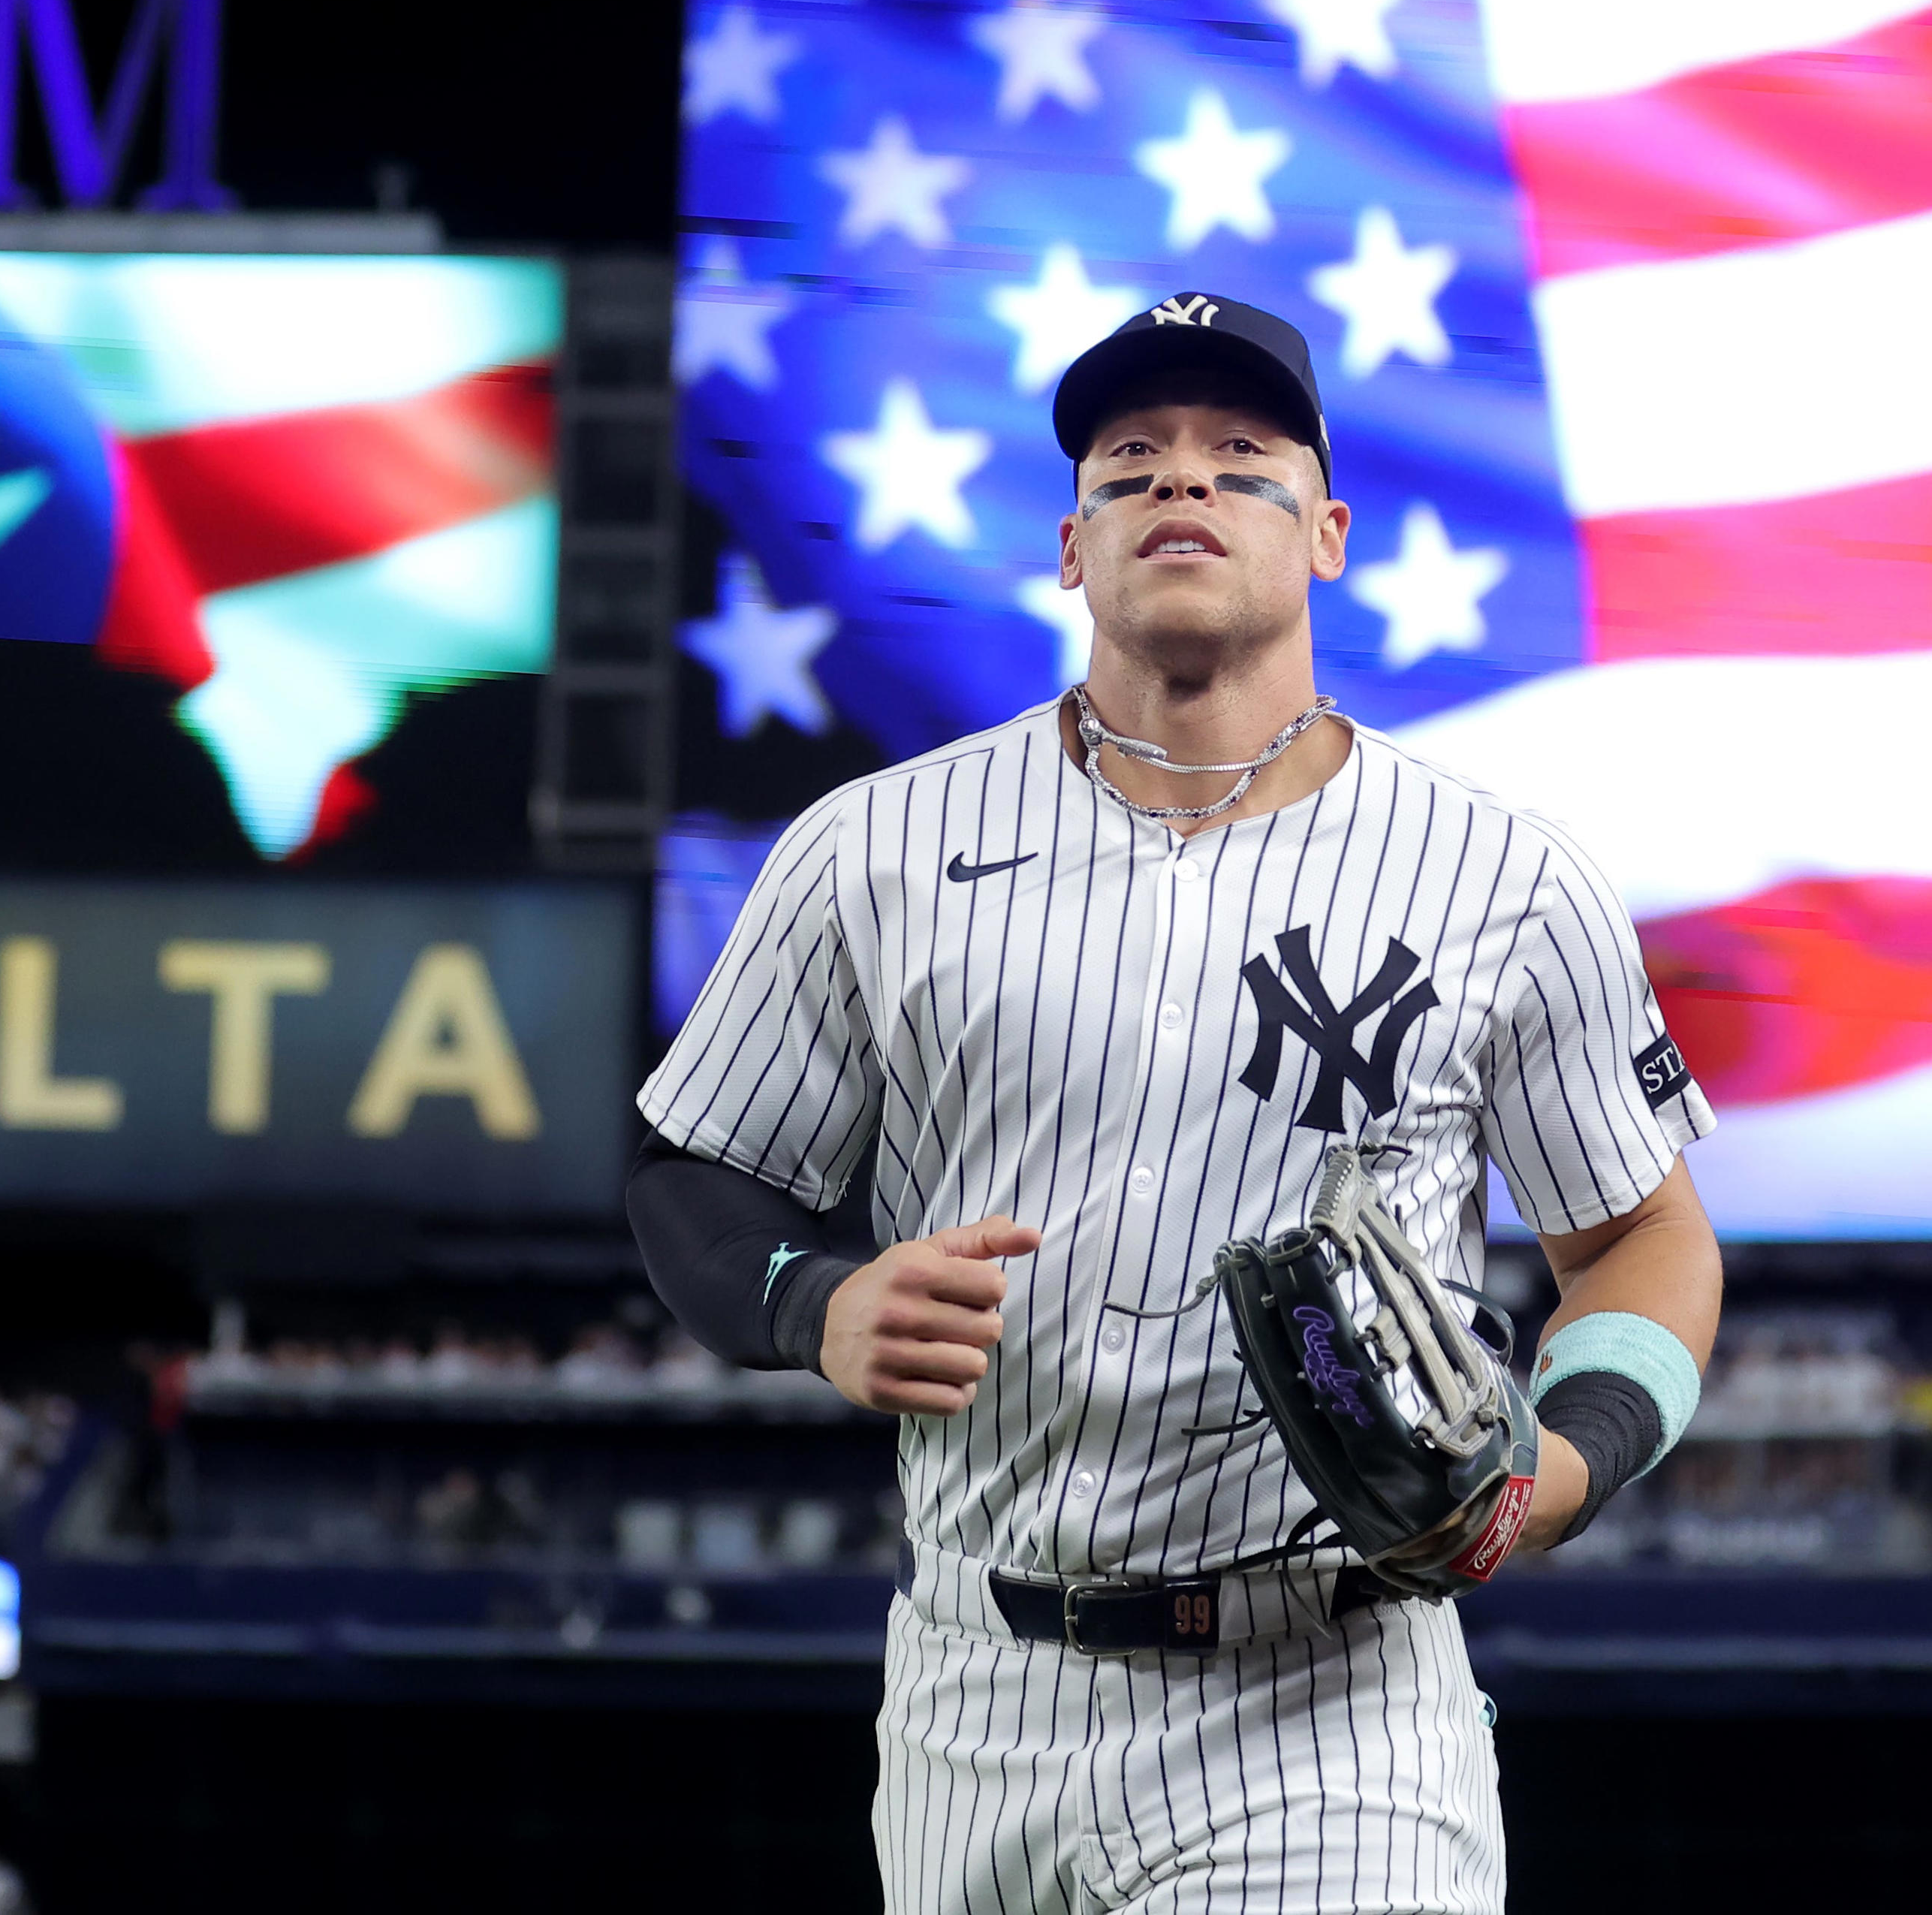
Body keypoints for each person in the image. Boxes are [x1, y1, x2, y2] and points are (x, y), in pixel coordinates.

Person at [629, 293, 1723, 1913]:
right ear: (1072, 547)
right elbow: (690, 1165)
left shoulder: (1504, 873)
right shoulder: (873, 845)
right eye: (1132, 463)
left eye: (1239, 456)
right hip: (973, 1688)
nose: (1181, 487)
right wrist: (813, 1299)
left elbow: (1640, 1233)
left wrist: (1558, 1469)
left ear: (1328, 532)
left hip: (1329, 1694)